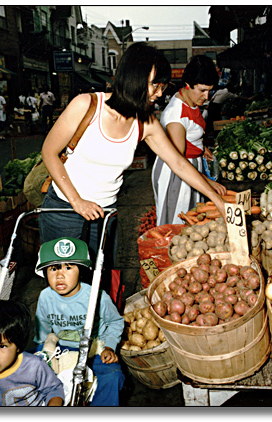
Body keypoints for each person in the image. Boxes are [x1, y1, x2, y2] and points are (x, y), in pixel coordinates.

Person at [38, 43, 226, 263]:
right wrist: (77, 201)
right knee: (63, 283)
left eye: (162, 87)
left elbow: (179, 163)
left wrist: (217, 200)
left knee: (100, 282)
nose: (159, 94)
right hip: (64, 210)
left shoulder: (146, 123)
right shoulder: (86, 105)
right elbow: (49, 152)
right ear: (133, 78)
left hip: (104, 214)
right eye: (154, 85)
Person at [33, 236, 125, 406]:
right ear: (45, 272)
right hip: (61, 348)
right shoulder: (45, 297)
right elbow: (42, 331)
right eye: (53, 269)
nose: (60, 275)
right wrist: (43, 352)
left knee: (112, 376)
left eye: (68, 268)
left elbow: (115, 322)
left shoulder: (96, 296)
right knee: (32, 371)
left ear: (81, 270)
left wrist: (110, 347)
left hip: (94, 349)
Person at [152, 55, 227, 225]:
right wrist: (208, 183)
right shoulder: (176, 115)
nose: (207, 96)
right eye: (202, 90)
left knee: (194, 219)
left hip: (191, 168)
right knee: (178, 223)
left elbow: (190, 133)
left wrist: (200, 148)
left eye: (210, 90)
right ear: (187, 85)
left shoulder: (190, 101)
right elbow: (177, 161)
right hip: (177, 174)